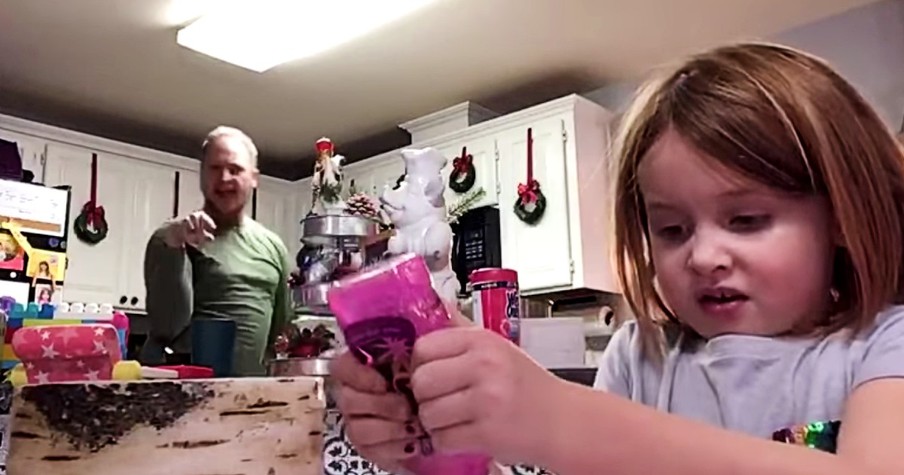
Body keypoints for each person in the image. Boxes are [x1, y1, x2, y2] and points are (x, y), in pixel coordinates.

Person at [330, 42, 904, 475]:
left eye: (747, 220)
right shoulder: (641, 358)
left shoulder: (883, 345)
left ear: (843, 217)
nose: (703, 256)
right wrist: (441, 445)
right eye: (672, 229)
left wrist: (560, 419)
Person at [141, 126, 292, 377]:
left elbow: (282, 332)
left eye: (235, 169)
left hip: (248, 399)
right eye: (214, 168)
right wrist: (176, 245)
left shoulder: (273, 246)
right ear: (201, 174)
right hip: (182, 396)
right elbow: (166, 326)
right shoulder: (170, 237)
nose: (224, 178)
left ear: (254, 178)